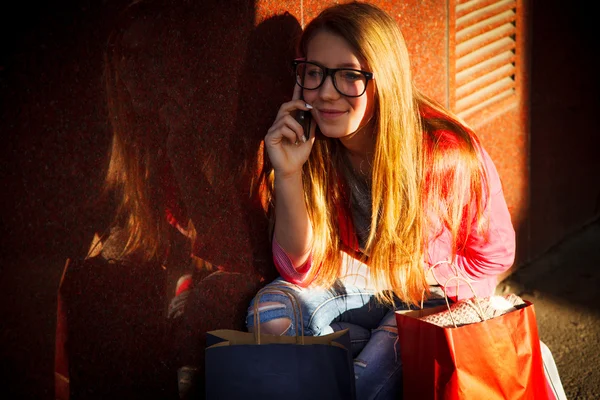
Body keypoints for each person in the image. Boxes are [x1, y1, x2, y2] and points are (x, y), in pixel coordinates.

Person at [246, 2, 566, 399]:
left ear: (385, 80)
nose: (326, 93)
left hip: (432, 297)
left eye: (349, 76)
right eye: (314, 73)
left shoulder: (444, 153)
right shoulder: (312, 144)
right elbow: (296, 270)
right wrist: (290, 172)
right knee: (271, 310)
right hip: (363, 285)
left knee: (365, 375)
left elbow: (494, 256)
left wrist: (419, 290)